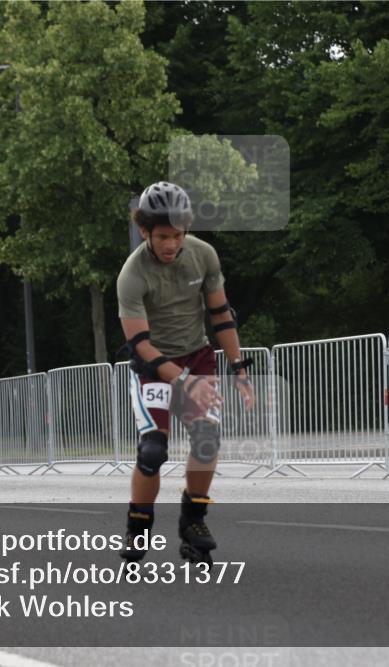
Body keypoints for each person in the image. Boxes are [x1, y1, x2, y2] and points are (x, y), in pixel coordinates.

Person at [115, 181, 255, 564]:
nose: (171, 244)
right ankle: (138, 525)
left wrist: (239, 369)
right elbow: (139, 344)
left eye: (178, 235)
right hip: (153, 366)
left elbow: (221, 315)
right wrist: (183, 381)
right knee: (152, 451)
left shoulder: (203, 255)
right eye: (163, 236)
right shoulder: (132, 274)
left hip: (198, 358)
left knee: (207, 441)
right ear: (144, 230)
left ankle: (193, 522)